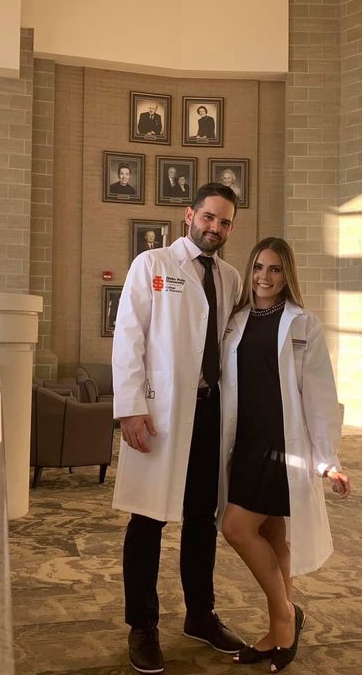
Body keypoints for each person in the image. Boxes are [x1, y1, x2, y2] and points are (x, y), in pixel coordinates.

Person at [112, 182, 244, 674]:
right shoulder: (153, 266)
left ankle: (200, 615)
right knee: (147, 518)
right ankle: (142, 625)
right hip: (160, 412)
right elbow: (129, 336)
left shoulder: (229, 276)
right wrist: (129, 407)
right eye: (209, 217)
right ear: (189, 215)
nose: (216, 227)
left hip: (210, 411)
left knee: (201, 518)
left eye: (226, 222)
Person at [218, 237, 351, 673]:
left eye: (274, 269)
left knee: (236, 528)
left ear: (286, 274)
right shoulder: (235, 322)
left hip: (281, 444)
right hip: (245, 440)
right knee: (274, 537)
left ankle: (285, 616)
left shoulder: (302, 323)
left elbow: (319, 393)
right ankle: (280, 629)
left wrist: (327, 458)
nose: (264, 277)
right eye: (258, 267)